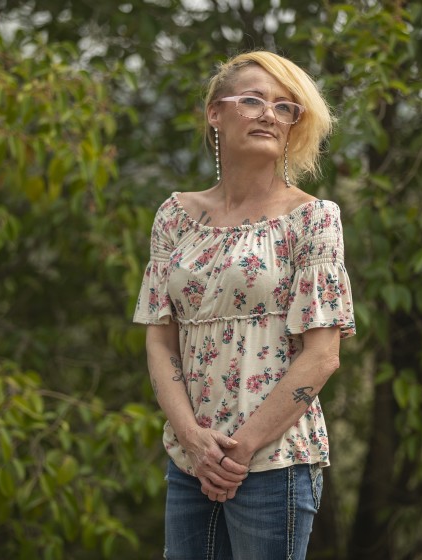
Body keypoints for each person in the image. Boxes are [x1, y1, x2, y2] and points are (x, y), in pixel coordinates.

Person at [132, 50, 356, 560]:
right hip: (191, 462)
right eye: (252, 100)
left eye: (284, 107)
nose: (268, 115)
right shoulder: (175, 216)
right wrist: (193, 441)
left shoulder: (314, 219)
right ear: (216, 113)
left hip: (275, 461)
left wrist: (239, 450)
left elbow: (322, 355)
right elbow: (160, 338)